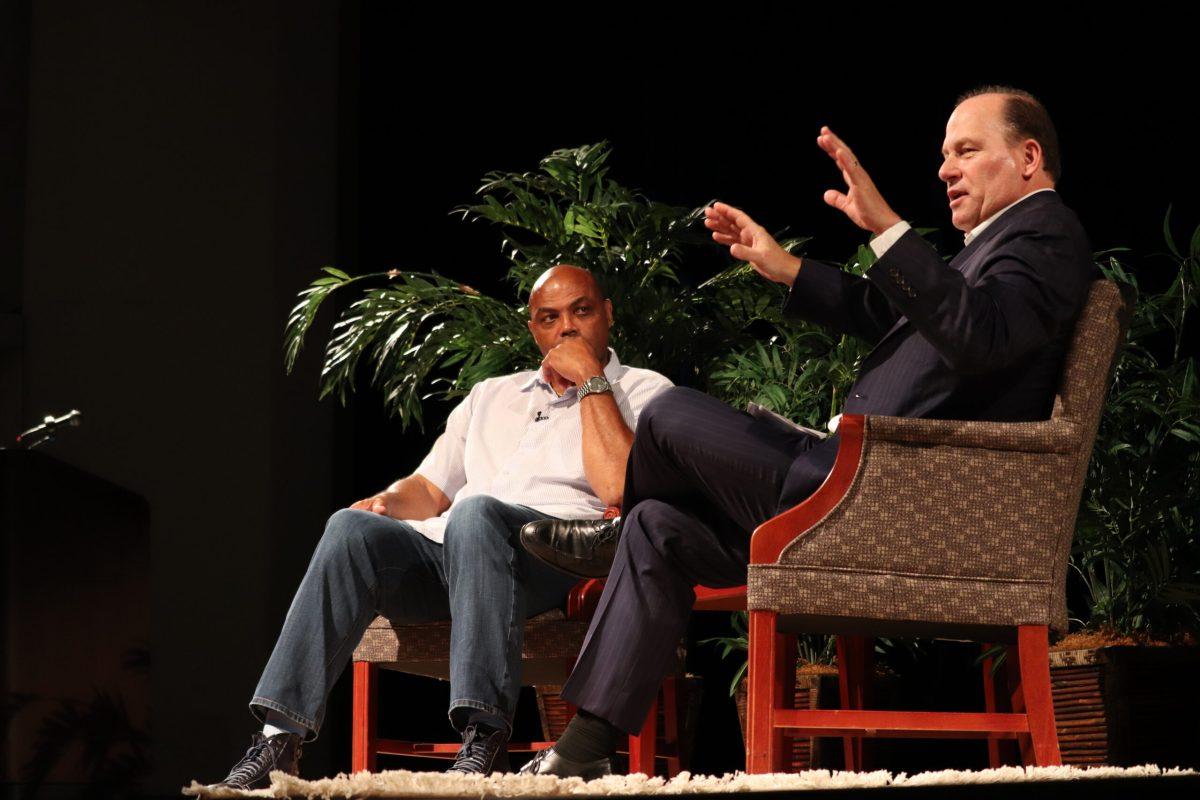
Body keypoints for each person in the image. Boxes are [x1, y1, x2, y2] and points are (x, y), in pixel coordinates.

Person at [518, 87, 1096, 777]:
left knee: (668, 416)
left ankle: (611, 530)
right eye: (944, 154)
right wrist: (779, 263)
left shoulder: (1047, 236)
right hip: (855, 481)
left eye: (966, 151)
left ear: (1029, 157)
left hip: (890, 492)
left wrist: (886, 228)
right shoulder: (992, 252)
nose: (945, 169)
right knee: (660, 525)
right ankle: (584, 747)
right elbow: (898, 315)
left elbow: (980, 337)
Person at [206, 264, 673, 788]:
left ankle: (483, 733)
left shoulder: (645, 390)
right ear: (534, 331)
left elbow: (618, 489)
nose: (566, 327)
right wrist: (385, 502)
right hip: (458, 554)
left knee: (478, 515)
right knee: (349, 529)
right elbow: (429, 491)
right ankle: (277, 738)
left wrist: (592, 380)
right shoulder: (491, 396)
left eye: (581, 311)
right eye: (550, 318)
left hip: (558, 558)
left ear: (607, 314)